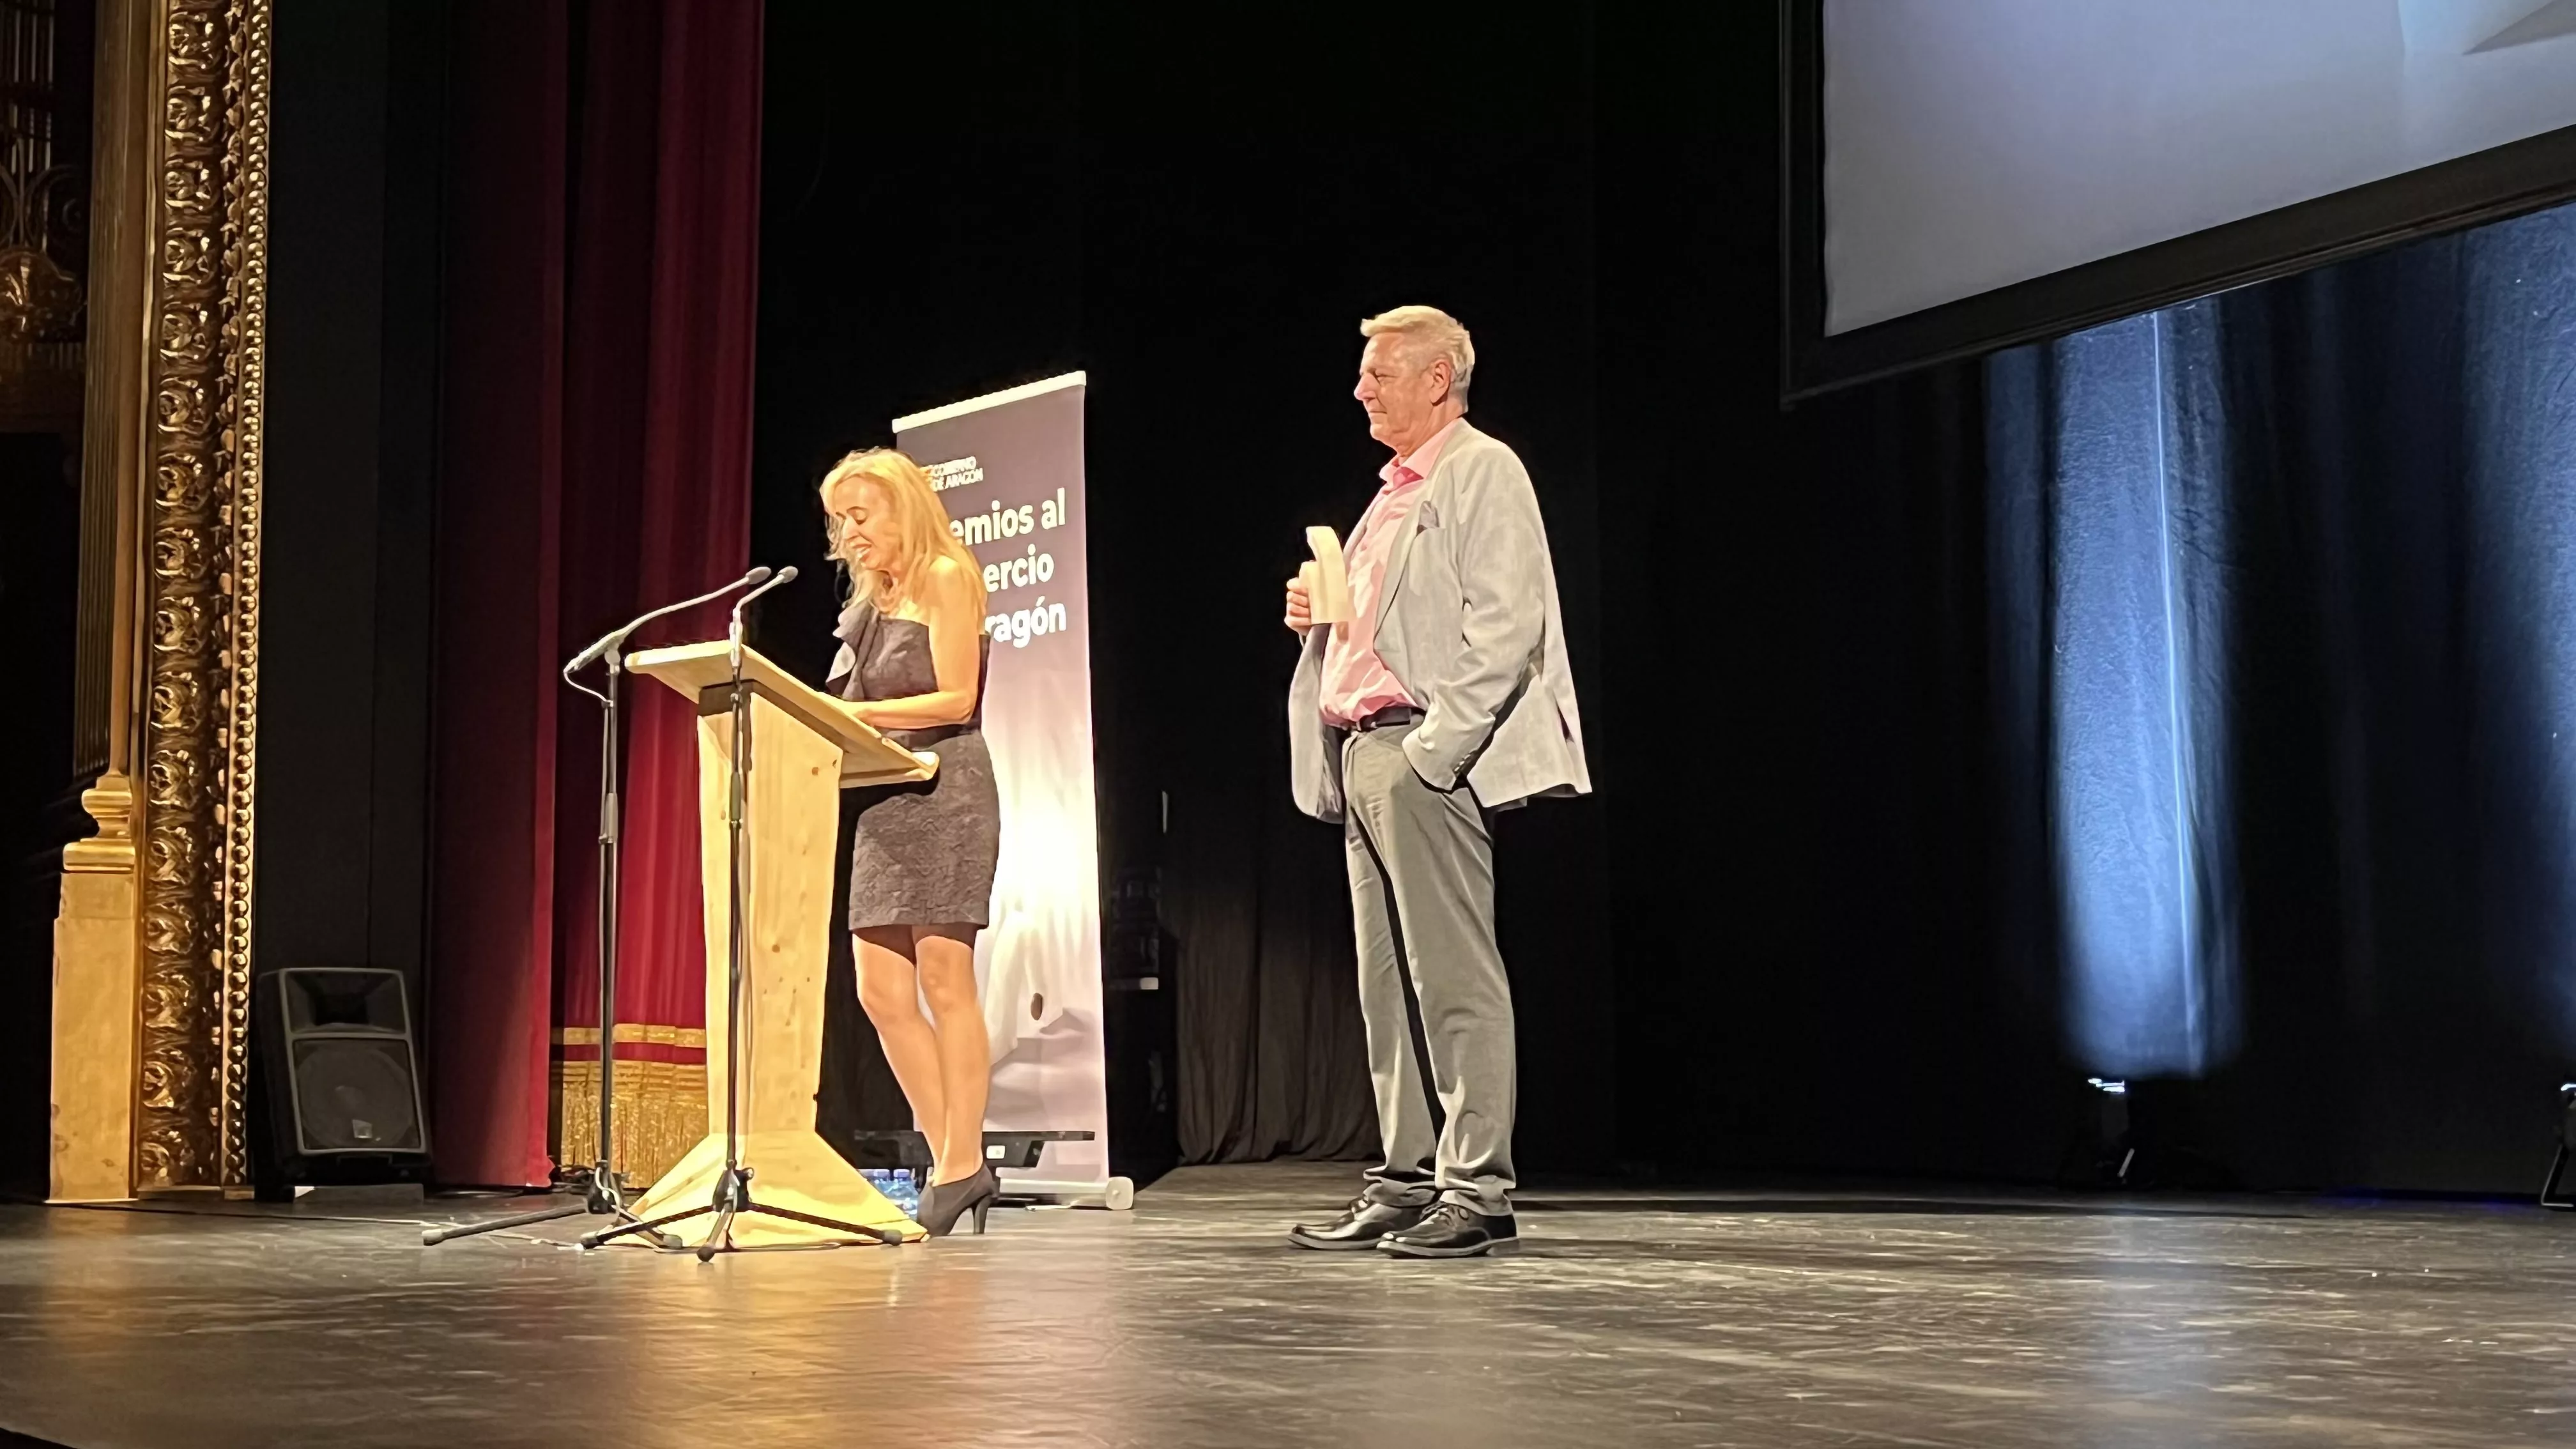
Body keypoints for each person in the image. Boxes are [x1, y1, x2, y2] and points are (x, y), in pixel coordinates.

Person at [1282, 305, 1591, 1259]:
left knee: (1452, 976)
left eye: (1378, 373)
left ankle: (1477, 1189)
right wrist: (1317, 623)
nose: (1360, 390)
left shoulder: (1481, 469)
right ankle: (1406, 1179)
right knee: (1386, 987)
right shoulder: (1391, 496)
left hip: (1417, 750)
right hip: (1361, 751)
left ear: (1437, 380)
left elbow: (1506, 623)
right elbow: (1386, 626)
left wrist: (1435, 750)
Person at [819, 447, 1004, 1237]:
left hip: (945, 789)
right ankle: (957, 1161)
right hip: (882, 799)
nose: (849, 535)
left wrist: (855, 717)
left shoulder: (946, 578)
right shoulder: (868, 605)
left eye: (861, 516)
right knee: (880, 993)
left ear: (904, 510)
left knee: (944, 977)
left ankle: (959, 1163)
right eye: (840, 522)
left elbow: (958, 696)